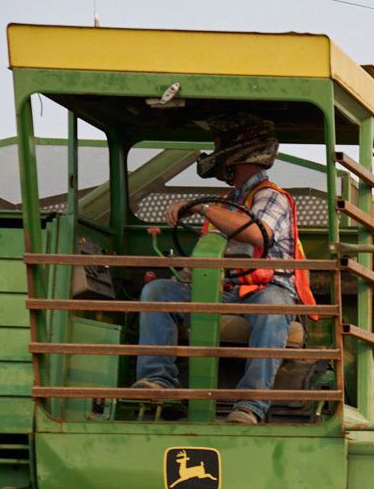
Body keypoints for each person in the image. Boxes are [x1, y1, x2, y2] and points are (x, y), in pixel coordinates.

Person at [133, 115, 316, 424]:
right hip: (225, 291)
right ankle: (160, 385)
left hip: (265, 292)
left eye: (223, 162)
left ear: (235, 160)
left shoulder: (271, 196)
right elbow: (213, 252)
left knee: (272, 307)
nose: (221, 172)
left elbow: (257, 233)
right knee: (158, 291)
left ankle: (250, 406)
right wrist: (189, 272)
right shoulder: (225, 203)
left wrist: (201, 207)